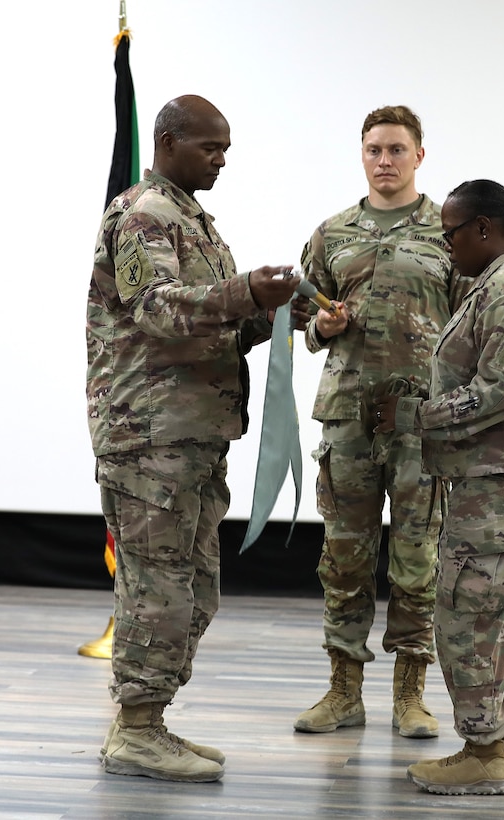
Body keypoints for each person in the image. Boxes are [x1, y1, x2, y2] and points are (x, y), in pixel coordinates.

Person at [86, 94, 306, 783]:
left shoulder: (195, 221)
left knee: (194, 590)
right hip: (149, 437)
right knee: (158, 589)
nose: (220, 161)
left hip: (193, 438)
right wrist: (246, 292)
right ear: (168, 140)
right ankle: (136, 729)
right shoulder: (144, 216)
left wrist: (287, 319)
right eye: (209, 147)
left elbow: (216, 326)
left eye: (226, 149)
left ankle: (149, 719)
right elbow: (157, 311)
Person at [374, 179, 504, 795]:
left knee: (466, 610)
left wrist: (413, 418)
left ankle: (484, 750)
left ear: (483, 229)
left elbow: (503, 391)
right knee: (492, 607)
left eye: (451, 233)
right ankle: (495, 744)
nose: (446, 244)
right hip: (494, 472)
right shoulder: (494, 284)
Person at [294, 105, 464, 739]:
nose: (384, 160)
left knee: (417, 559)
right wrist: (320, 326)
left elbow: (473, 325)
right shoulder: (331, 233)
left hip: (422, 422)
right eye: (373, 149)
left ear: (419, 155)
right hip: (348, 421)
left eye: (395, 149)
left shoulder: (450, 232)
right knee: (343, 558)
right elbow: (295, 315)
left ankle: (411, 696)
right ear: (361, 155)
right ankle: (342, 692)